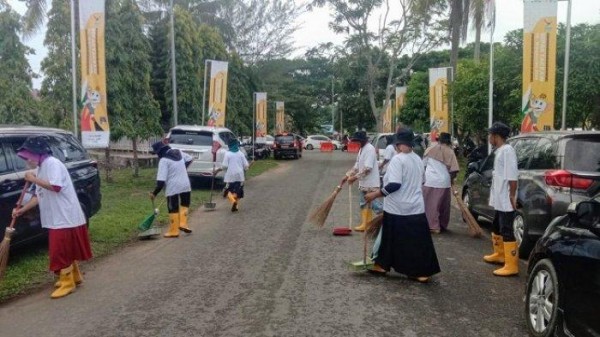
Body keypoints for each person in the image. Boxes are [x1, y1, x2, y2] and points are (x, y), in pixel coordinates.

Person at [11, 136, 92, 299]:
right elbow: (38, 196)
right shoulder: (41, 168)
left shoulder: (53, 164)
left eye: (28, 158)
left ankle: (67, 282)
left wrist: (34, 179)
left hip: (65, 217)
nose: (27, 162)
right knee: (64, 249)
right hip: (56, 218)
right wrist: (21, 210)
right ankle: (74, 276)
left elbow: (55, 186)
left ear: (37, 154)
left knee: (60, 251)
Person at [365, 129, 441, 282]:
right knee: (417, 241)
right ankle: (421, 272)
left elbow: (394, 185)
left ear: (399, 144)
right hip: (416, 207)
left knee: (391, 239)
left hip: (397, 207)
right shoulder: (417, 159)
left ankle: (383, 265)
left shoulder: (398, 160)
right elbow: (423, 181)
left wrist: (375, 194)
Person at [483, 122, 519, 277]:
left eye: (490, 135)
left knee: (507, 229)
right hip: (499, 197)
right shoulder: (500, 150)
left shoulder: (508, 151)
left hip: (505, 198)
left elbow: (512, 176)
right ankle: (500, 254)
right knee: (496, 226)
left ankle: (512, 265)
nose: (489, 138)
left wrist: (512, 195)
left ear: (496, 136)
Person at [149, 141, 193, 238]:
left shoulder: (164, 161)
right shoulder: (178, 151)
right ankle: (183, 224)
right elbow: (190, 159)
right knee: (184, 204)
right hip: (185, 184)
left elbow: (161, 182)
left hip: (172, 187)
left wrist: (154, 193)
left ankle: (174, 231)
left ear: (159, 152)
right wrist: (181, 169)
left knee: (173, 207)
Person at [344, 131, 382, 231]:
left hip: (371, 183)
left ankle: (385, 222)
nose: (357, 143)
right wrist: (348, 174)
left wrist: (354, 178)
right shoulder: (361, 149)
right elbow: (357, 165)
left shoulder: (369, 149)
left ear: (363, 140)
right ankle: (366, 224)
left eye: (358, 141)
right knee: (363, 203)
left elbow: (367, 169)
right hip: (363, 182)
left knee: (375, 205)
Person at [422, 132, 460, 234]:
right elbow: (454, 170)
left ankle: (433, 226)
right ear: (449, 141)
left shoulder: (429, 149)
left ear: (439, 140)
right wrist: (452, 179)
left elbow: (423, 165)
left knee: (430, 205)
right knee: (443, 206)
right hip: (444, 182)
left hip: (429, 181)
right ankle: (442, 225)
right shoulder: (450, 152)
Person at [217, 139, 249, 212]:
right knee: (239, 192)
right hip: (240, 176)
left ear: (229, 145)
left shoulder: (227, 154)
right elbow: (246, 165)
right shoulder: (241, 153)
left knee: (228, 191)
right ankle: (236, 205)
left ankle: (233, 201)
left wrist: (219, 169)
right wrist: (246, 168)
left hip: (230, 176)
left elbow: (225, 166)